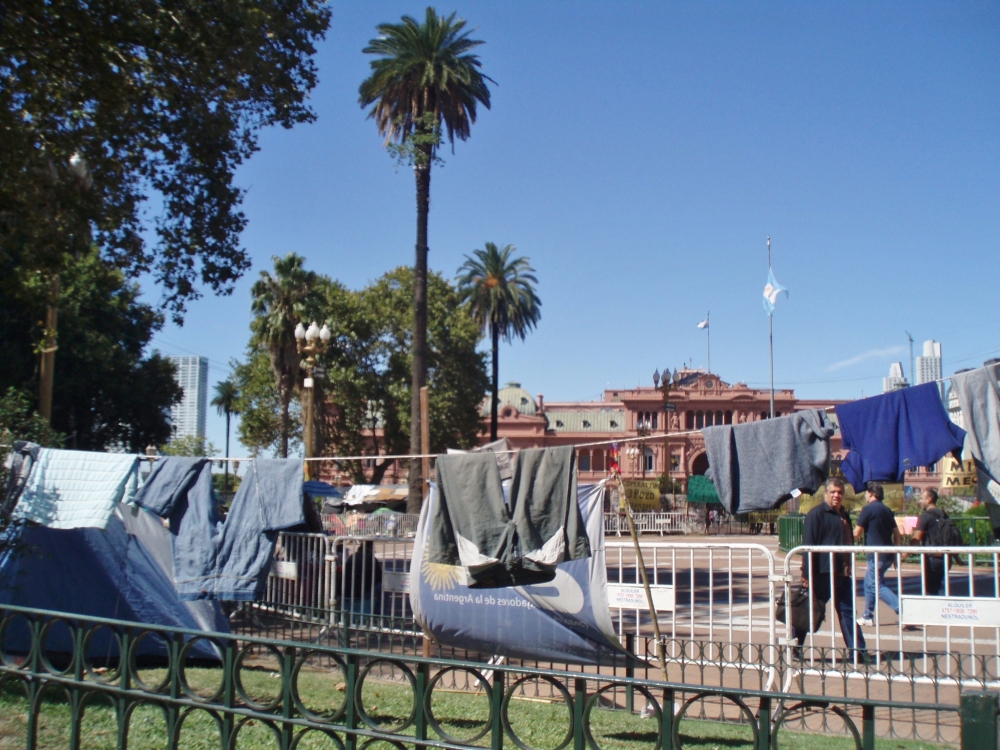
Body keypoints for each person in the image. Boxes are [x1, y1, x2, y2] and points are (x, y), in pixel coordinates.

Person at [796, 477, 866, 653]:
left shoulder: (844, 514)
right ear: (826, 493)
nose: (837, 495)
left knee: (847, 612)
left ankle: (857, 651)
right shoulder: (816, 514)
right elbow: (808, 544)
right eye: (833, 492)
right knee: (810, 611)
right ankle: (795, 647)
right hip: (822, 572)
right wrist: (806, 572)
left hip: (842, 573)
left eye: (840, 492)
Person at [853, 482, 901, 626]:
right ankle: (867, 615)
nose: (865, 496)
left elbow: (857, 532)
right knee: (869, 583)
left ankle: (902, 609)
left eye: (866, 493)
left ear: (871, 493)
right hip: (888, 553)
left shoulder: (867, 509)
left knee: (876, 585)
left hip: (875, 554)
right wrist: (896, 552)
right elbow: (897, 533)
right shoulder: (886, 510)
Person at [910, 488, 947, 596]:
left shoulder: (925, 516)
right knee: (942, 586)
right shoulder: (943, 514)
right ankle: (943, 609)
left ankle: (936, 610)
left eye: (922, 498)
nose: (920, 501)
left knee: (931, 589)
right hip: (945, 555)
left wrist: (903, 555)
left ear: (929, 499)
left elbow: (917, 537)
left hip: (932, 557)